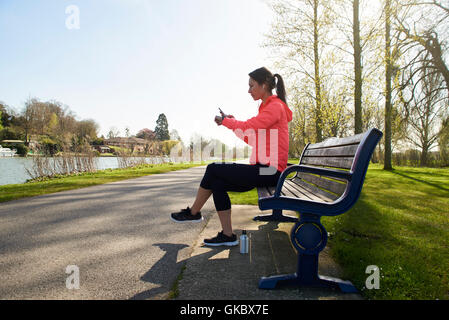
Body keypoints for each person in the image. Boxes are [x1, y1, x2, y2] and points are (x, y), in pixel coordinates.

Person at [170, 67, 292, 247]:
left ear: (264, 84)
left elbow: (251, 125)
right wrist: (231, 124)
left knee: (213, 168)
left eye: (251, 86)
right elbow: (252, 138)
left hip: (270, 171)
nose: (249, 90)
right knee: (217, 182)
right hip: (264, 169)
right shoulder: (267, 107)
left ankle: (194, 212)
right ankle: (227, 235)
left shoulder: (275, 107)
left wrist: (227, 121)